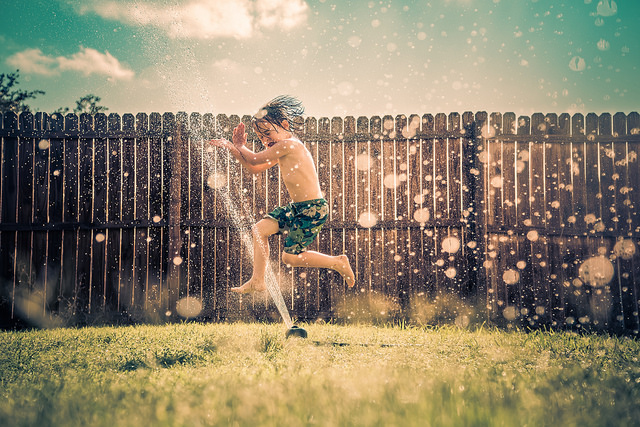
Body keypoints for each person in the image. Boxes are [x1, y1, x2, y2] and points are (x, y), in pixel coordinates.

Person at [209, 95, 355, 293]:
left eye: (268, 133)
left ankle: (337, 262)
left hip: (313, 209)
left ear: (285, 124)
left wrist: (238, 146)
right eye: (261, 137)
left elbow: (252, 159)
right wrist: (235, 149)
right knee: (259, 230)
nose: (265, 140)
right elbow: (254, 168)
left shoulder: (290, 145)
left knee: (290, 258)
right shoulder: (283, 148)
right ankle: (257, 281)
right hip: (298, 208)